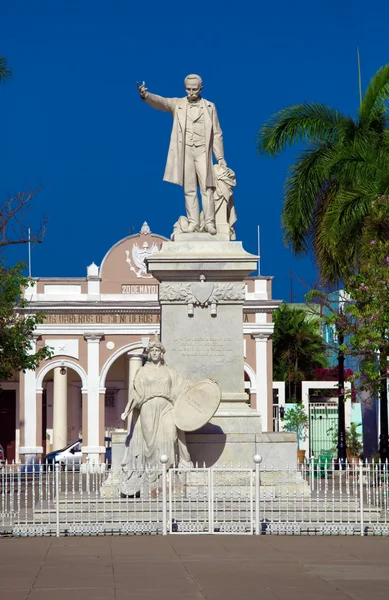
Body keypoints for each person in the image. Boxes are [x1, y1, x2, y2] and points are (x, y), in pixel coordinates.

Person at [137, 74, 227, 235]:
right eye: (188, 89)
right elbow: (161, 102)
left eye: (194, 89)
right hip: (186, 150)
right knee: (189, 188)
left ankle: (209, 222)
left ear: (201, 88)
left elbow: (217, 134)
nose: (191, 92)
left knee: (208, 188)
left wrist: (220, 158)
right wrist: (146, 95)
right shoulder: (178, 104)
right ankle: (193, 222)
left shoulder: (209, 107)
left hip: (202, 151)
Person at [120, 336, 192, 496]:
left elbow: (185, 386)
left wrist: (205, 387)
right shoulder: (142, 371)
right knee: (150, 445)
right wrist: (128, 409)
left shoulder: (170, 372)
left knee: (170, 437)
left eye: (157, 350)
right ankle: (151, 480)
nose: (154, 353)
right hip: (148, 407)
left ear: (161, 353)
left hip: (167, 406)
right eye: (151, 350)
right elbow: (136, 393)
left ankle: (168, 476)